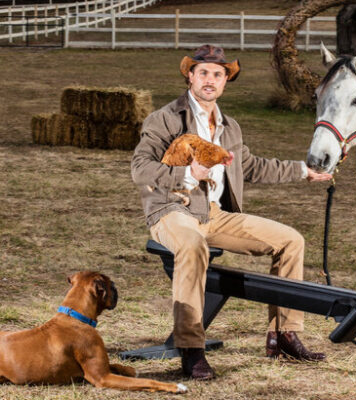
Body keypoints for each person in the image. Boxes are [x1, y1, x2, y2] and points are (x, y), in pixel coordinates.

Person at [131, 45, 333, 380]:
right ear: (190, 76)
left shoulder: (230, 127)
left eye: (218, 74)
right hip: (172, 209)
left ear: (226, 81)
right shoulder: (165, 118)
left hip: (215, 214)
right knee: (193, 245)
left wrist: (302, 170)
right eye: (203, 72)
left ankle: (283, 336)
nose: (210, 80)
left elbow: (251, 167)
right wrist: (185, 175)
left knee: (291, 241)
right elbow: (140, 169)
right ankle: (191, 349)